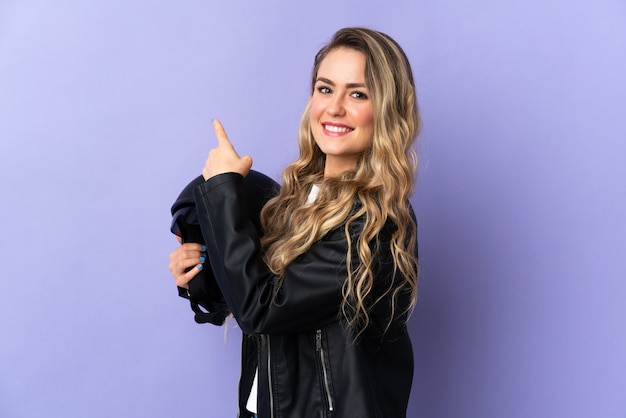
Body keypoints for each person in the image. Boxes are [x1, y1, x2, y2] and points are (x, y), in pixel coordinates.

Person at [169, 26, 421, 418]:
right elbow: (266, 301)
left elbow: (263, 308)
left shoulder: (374, 223)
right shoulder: (294, 201)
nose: (335, 107)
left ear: (386, 110)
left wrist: (222, 190)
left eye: (358, 93)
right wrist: (202, 271)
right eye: (325, 88)